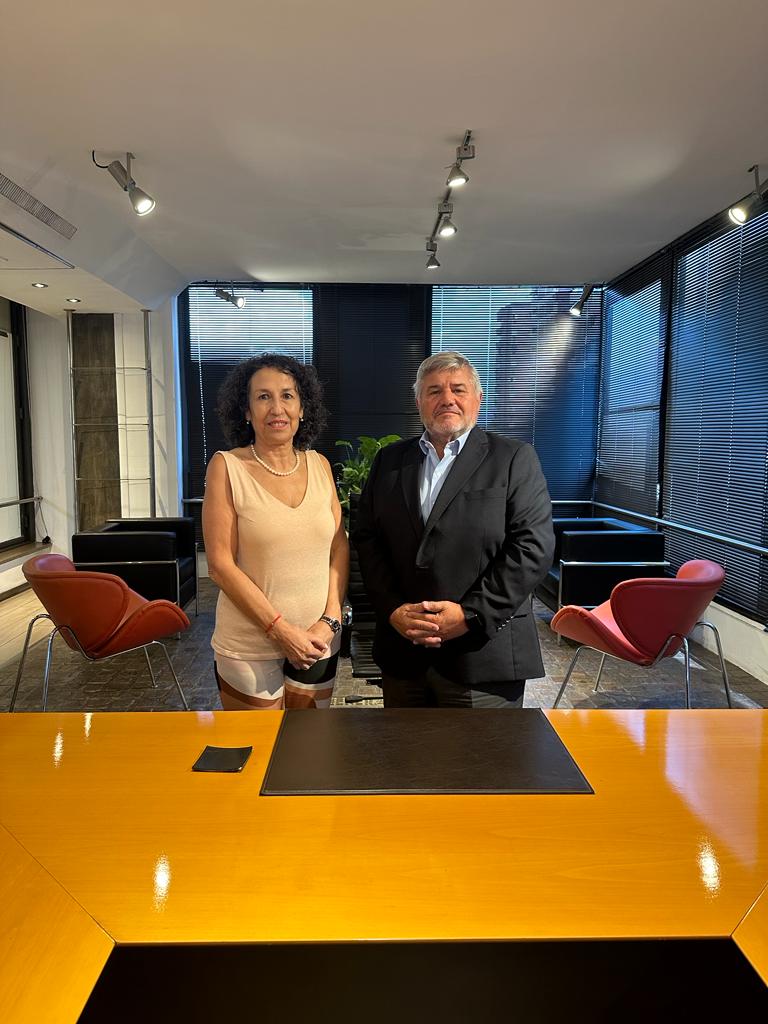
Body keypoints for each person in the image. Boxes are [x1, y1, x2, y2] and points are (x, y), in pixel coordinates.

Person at [353, 351, 554, 708]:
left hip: (484, 655)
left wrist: (471, 615)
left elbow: (532, 547)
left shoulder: (513, 458)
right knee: (404, 746)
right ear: (419, 402)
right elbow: (368, 541)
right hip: (404, 652)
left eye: (458, 389)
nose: (447, 399)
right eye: (434, 391)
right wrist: (393, 609)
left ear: (478, 398)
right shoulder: (389, 461)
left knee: (484, 749)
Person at [203, 354, 349, 710]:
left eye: (287, 396)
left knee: (309, 741)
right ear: (246, 410)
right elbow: (220, 566)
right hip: (249, 646)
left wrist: (330, 620)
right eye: (263, 397)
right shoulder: (227, 467)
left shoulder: (320, 464)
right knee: (257, 743)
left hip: (317, 641)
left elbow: (338, 548)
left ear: (303, 408)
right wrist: (281, 631)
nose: (277, 408)